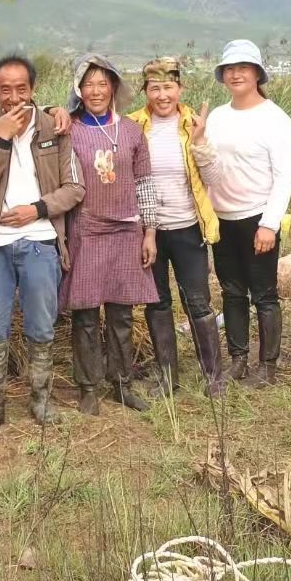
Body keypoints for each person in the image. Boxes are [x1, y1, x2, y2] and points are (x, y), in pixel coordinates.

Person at [0, 55, 86, 432]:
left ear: (33, 90)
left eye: (22, 88)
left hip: (40, 241)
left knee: (41, 325)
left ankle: (41, 400)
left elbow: (75, 187)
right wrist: (1, 137)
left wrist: (36, 210)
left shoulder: (53, 126)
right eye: (5, 89)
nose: (14, 96)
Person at [58, 54, 159, 414]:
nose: (96, 90)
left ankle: (122, 383)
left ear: (114, 87)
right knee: (85, 314)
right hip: (86, 230)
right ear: (78, 89)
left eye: (103, 83)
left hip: (126, 231)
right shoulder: (68, 128)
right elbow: (61, 182)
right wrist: (62, 238)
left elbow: (145, 183)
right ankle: (87, 387)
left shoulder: (131, 130)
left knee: (120, 313)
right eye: (88, 83)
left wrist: (150, 232)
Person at [193, 40, 291, 388]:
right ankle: (238, 358)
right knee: (232, 290)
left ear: (256, 73)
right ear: (223, 76)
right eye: (229, 69)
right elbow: (211, 169)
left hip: (257, 217)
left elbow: (284, 175)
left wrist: (269, 224)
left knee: (264, 294)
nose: (236, 74)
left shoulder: (275, 118)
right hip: (223, 218)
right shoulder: (218, 117)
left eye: (243, 68)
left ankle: (267, 364)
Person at [126, 57, 227, 398]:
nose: (163, 95)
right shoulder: (134, 126)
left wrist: (199, 141)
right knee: (156, 303)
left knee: (197, 301)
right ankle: (168, 376)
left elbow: (214, 178)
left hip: (187, 227)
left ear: (180, 89)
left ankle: (214, 376)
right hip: (149, 231)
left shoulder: (193, 124)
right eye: (155, 88)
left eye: (169, 87)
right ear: (146, 91)